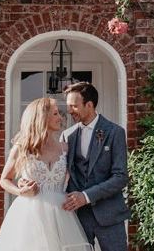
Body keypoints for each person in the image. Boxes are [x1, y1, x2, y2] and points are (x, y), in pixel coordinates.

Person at [0, 97, 93, 251]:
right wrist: (20, 191)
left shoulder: (65, 148)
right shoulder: (22, 148)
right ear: (41, 117)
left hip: (62, 213)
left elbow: (80, 176)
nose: (60, 118)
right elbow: (4, 180)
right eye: (55, 114)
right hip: (29, 214)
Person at [61, 82, 129, 251]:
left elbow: (120, 177)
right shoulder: (67, 135)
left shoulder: (115, 132)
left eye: (74, 106)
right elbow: (58, 172)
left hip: (110, 215)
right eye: (68, 106)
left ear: (89, 105)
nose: (69, 111)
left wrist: (86, 196)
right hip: (77, 217)